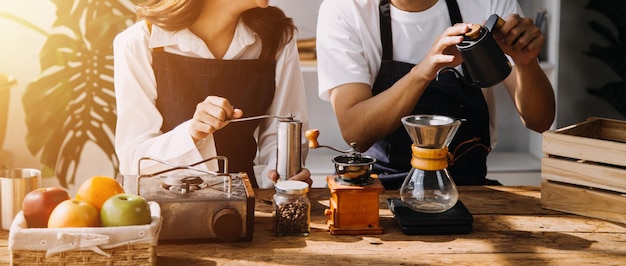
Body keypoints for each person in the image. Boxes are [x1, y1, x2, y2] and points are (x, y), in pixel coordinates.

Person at [316, 0, 555, 189]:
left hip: (469, 187)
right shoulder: (343, 10)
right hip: (378, 188)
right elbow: (356, 131)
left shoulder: (487, 4)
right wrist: (424, 70)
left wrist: (527, 64)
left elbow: (540, 120)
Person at [113, 0, 312, 188]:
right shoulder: (139, 42)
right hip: (165, 208)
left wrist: (283, 175)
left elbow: (281, 135)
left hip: (248, 204)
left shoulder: (277, 37)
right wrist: (191, 133)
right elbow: (134, 162)